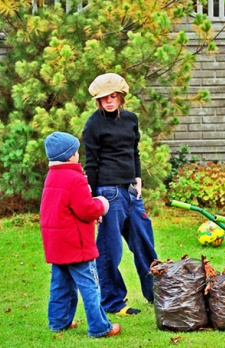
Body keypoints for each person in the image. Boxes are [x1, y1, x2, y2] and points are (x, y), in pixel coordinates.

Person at [82, 73, 158, 315]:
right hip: (108, 193)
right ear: (98, 101)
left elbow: (133, 151)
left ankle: (157, 293)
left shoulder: (130, 120)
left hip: (131, 190)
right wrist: (94, 202)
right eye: (103, 98)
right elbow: (91, 164)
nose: (109, 102)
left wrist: (138, 177)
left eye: (113, 97)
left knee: (144, 242)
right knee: (109, 249)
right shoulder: (94, 124)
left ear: (121, 97)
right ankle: (113, 302)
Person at [40, 131, 121, 338]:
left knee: (61, 284)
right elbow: (85, 209)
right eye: (76, 151)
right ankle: (100, 327)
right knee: (90, 285)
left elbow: (66, 209)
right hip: (76, 245)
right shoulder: (75, 178)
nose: (78, 155)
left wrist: (90, 214)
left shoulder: (52, 176)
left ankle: (58, 322)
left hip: (57, 242)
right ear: (70, 156)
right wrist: (101, 205)